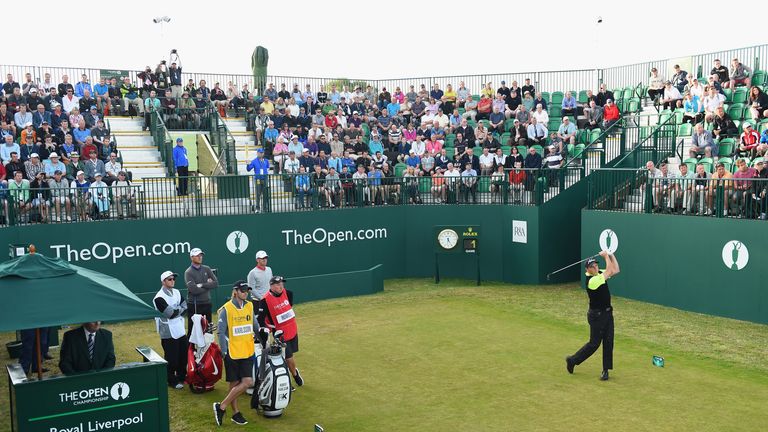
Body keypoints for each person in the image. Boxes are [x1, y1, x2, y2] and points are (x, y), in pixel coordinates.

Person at [566, 251, 620, 381]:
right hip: (596, 316)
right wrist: (606, 256)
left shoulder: (599, 273)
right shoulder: (592, 281)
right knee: (594, 343)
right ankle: (572, 360)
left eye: (596, 265)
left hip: (608, 313)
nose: (595, 267)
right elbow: (608, 271)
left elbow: (615, 269)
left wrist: (611, 254)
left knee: (608, 341)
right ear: (587, 269)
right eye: (592, 266)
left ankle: (605, 370)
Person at [214, 281, 259, 426]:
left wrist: (263, 334)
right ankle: (235, 413)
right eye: (243, 290)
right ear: (235, 291)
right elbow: (221, 332)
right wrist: (223, 351)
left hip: (247, 350)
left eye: (247, 290)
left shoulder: (249, 305)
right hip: (232, 352)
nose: (245, 293)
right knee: (234, 384)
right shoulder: (226, 309)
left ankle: (221, 407)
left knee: (247, 382)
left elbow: (255, 326)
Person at [257, 276, 303, 389]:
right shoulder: (265, 300)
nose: (281, 286)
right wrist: (266, 331)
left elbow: (288, 308)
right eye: (278, 284)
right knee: (288, 357)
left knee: (290, 356)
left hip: (292, 328)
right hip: (280, 334)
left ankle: (292, 371)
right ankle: (293, 376)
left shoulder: (288, 293)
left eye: (282, 283)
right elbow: (260, 319)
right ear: (271, 286)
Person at [153, 270, 188, 389]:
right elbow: (170, 314)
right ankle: (171, 380)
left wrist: (176, 310)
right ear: (163, 282)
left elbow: (185, 306)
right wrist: (178, 310)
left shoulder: (177, 292)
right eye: (169, 279)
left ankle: (182, 377)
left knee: (183, 356)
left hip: (179, 328)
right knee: (172, 359)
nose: (173, 281)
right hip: (168, 331)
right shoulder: (159, 297)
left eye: (173, 279)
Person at [184, 247, 218, 334]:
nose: (200, 257)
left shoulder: (206, 268)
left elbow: (215, 283)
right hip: (195, 305)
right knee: (193, 330)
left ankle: (209, 347)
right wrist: (208, 285)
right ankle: (191, 348)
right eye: (197, 256)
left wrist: (202, 285)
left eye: (201, 255)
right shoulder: (188, 272)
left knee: (208, 329)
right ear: (192, 257)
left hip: (206, 303)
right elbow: (194, 290)